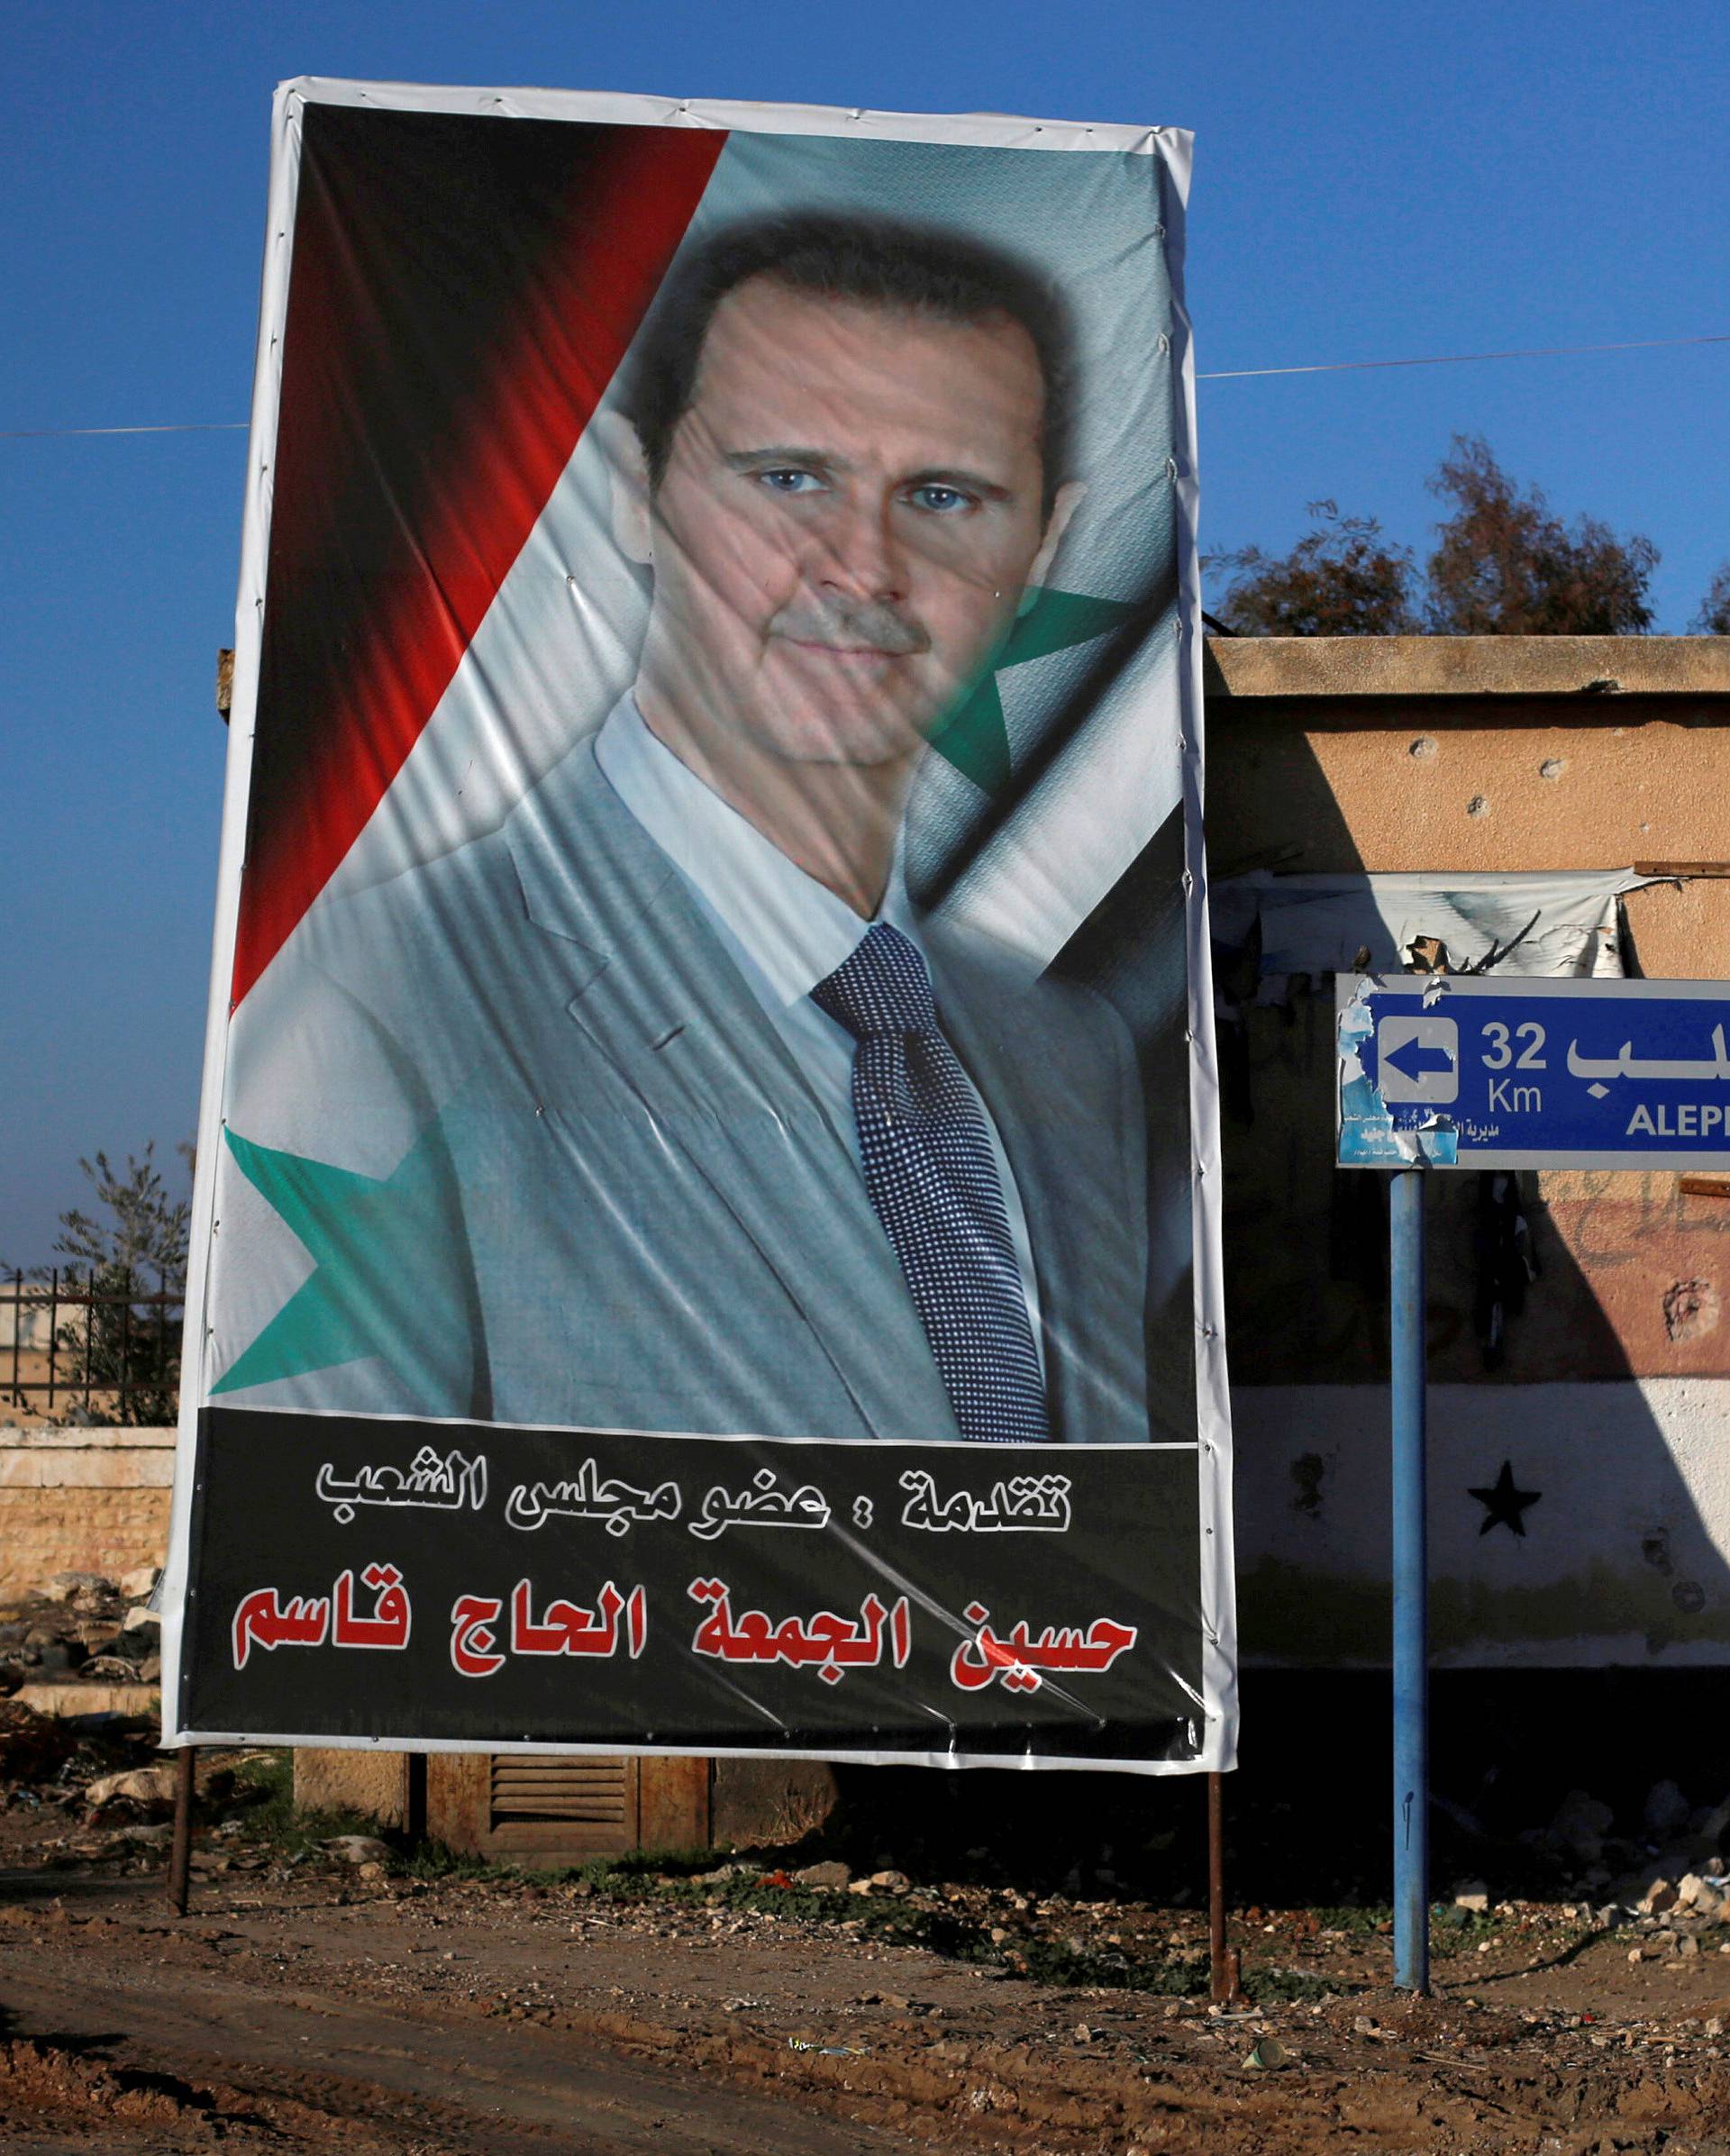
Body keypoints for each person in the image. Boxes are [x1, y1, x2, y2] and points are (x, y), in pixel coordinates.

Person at [214, 213, 1152, 1445]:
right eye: (788, 477)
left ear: (1041, 550)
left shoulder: (1068, 1058)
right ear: (634, 492)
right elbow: (335, 1572)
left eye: (943, 495)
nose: (861, 566)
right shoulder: (375, 1013)